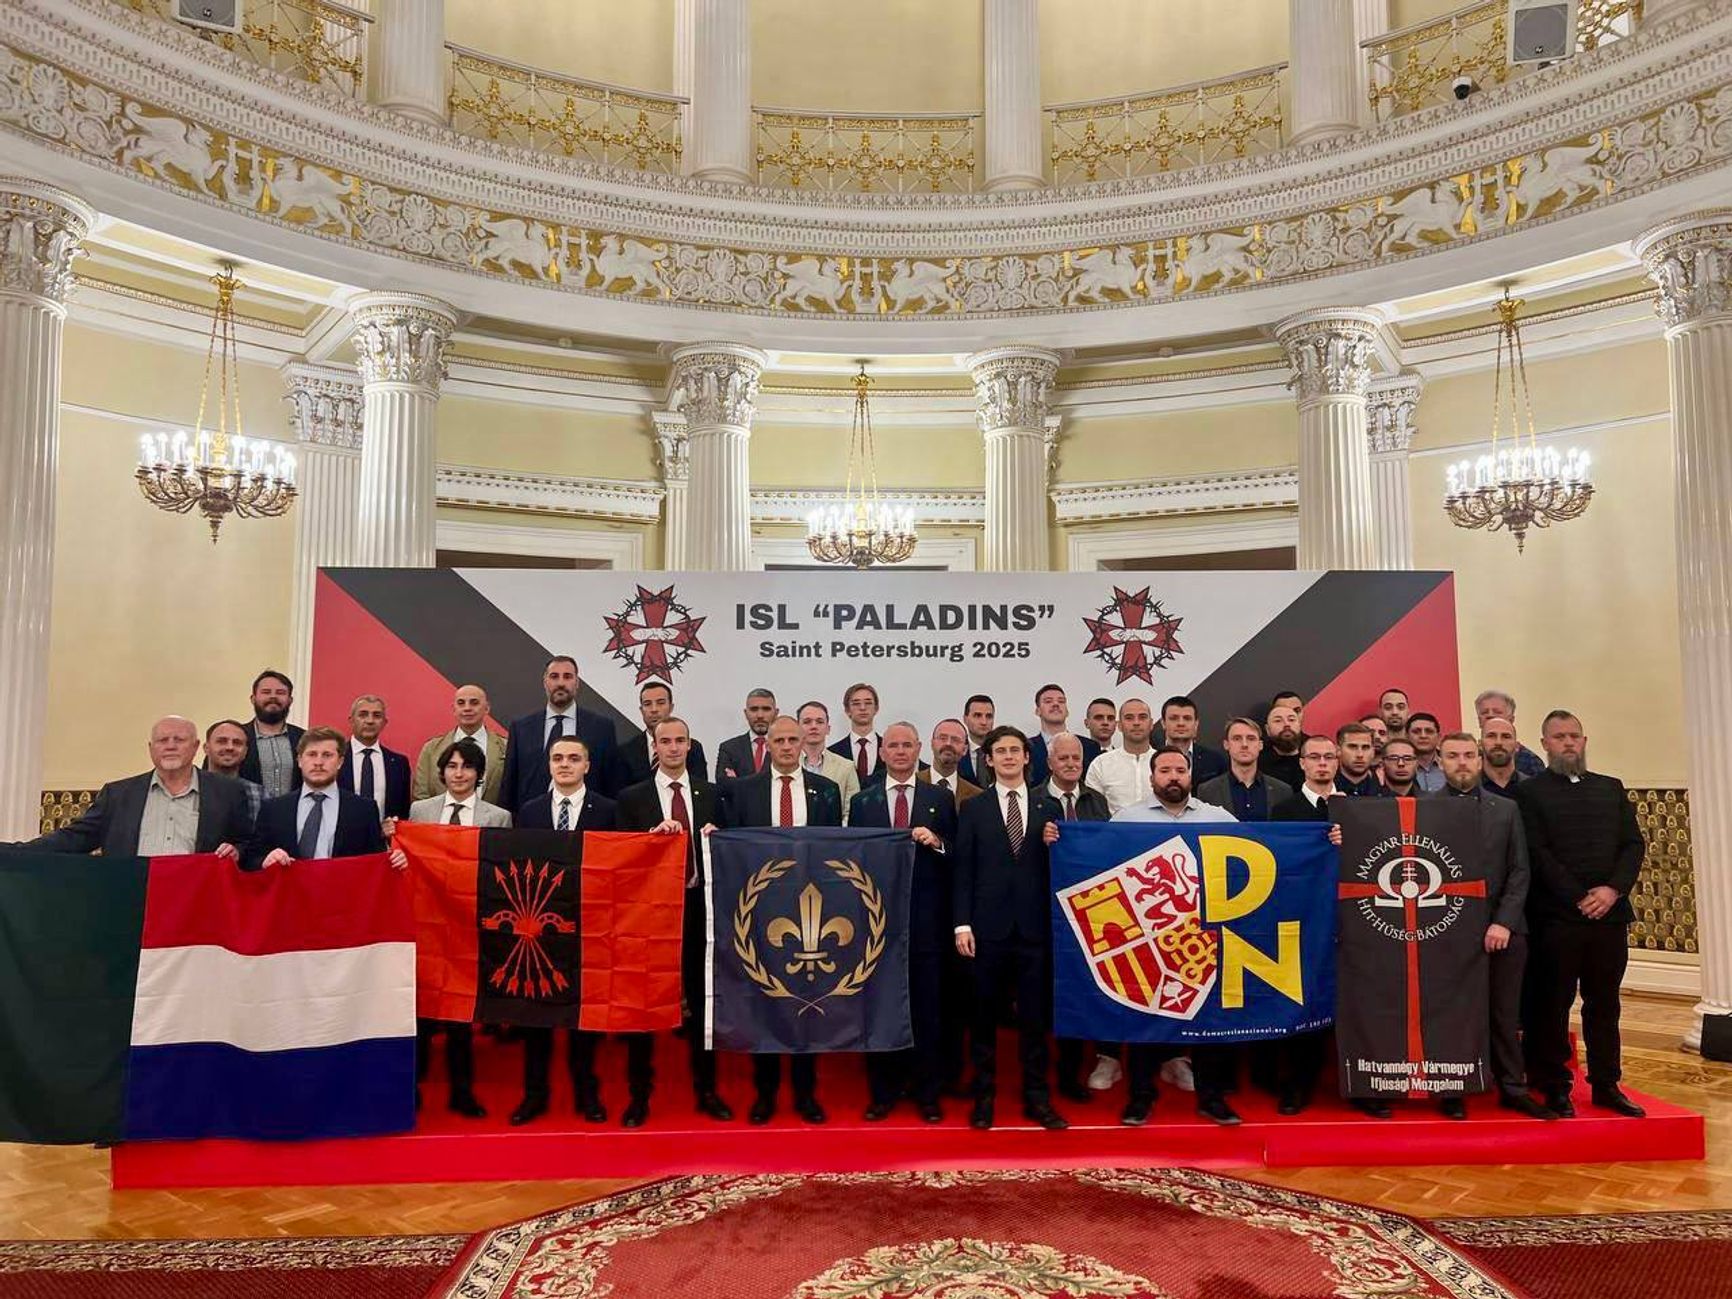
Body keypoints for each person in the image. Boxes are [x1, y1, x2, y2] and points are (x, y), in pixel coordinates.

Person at [1515, 710, 1648, 1119]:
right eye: (1559, 737)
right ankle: (1555, 1086)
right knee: (1552, 1005)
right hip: (1557, 919)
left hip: (1609, 916)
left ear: (1584, 741)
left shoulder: (1610, 788)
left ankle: (1607, 1084)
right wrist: (1578, 897)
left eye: (1574, 735)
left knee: (1604, 1005)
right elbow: (1537, 852)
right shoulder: (1530, 793)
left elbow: (1632, 845)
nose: (1568, 742)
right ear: (1545, 744)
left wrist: (1611, 890)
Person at [1108, 748, 1239, 1125]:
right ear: (1152, 778)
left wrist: (1325, 837)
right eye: (1164, 770)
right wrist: (1057, 838)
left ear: (1190, 776)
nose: (1173, 776)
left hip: (1205, 937)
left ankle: (1211, 1098)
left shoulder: (1219, 818)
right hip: (1150, 936)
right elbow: (1099, 862)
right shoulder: (1126, 819)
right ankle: (1140, 1096)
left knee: (1210, 1021)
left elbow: (1263, 851)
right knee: (1145, 1019)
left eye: (1180, 770)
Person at [722, 715, 843, 1124]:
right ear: (768, 745)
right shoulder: (743, 791)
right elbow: (733, 850)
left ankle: (806, 1093)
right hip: (761, 911)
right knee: (765, 1002)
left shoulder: (825, 790)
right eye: (780, 740)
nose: (788, 746)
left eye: (794, 739)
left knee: (807, 1004)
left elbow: (835, 853)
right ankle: (766, 1093)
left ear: (804, 742)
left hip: (813, 913)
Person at [614, 717, 732, 1126]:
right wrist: (651, 840)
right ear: (656, 747)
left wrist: (720, 837)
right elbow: (620, 857)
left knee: (702, 1002)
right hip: (651, 912)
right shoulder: (632, 797)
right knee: (644, 1005)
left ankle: (707, 1090)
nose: (674, 747)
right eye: (666, 741)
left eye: (681, 740)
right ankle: (639, 1095)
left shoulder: (712, 794)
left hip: (699, 907)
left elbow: (732, 852)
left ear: (690, 745)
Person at [1430, 732, 1552, 1121]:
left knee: (1504, 1014)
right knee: (1452, 1014)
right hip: (1445, 936)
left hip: (1503, 932)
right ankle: (1453, 1088)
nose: (1462, 762)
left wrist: (1503, 923)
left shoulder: (1506, 809)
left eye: (1469, 755)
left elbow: (1520, 870)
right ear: (1440, 761)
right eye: (1453, 756)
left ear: (1480, 759)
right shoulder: (1421, 810)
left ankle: (1513, 1087)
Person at [952, 725, 1067, 1131]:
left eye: (1014, 750)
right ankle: (984, 1097)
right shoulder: (974, 808)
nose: (1008, 757)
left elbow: (1063, 868)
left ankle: (1037, 1098)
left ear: (1026, 757)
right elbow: (963, 869)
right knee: (983, 1018)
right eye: (1000, 751)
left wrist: (1057, 844)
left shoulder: (1049, 807)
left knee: (1035, 1020)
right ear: (988, 759)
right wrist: (962, 924)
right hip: (987, 930)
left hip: (1035, 929)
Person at [851, 721, 956, 1124]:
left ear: (918, 750)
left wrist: (938, 843)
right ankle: (883, 1092)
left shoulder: (939, 798)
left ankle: (928, 1092)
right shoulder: (863, 801)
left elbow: (957, 854)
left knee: (928, 1009)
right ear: (881, 752)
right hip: (877, 924)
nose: (899, 751)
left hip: (927, 923)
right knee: (880, 1009)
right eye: (892, 745)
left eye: (907, 745)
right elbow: (852, 863)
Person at [513, 737, 617, 1127]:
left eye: (574, 758)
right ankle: (534, 1095)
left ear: (587, 765)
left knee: (582, 1019)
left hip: (589, 926)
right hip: (538, 929)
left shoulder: (608, 810)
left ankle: (587, 1094)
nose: (565, 765)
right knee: (535, 1018)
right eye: (558, 758)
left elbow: (621, 864)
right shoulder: (531, 810)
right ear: (549, 764)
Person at [404, 739, 509, 1120]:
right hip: (428, 927)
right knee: (420, 1013)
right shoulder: (420, 811)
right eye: (452, 766)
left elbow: (502, 874)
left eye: (467, 766)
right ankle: (411, 1090)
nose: (459, 773)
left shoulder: (498, 817)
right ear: (442, 772)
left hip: (470, 928)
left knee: (461, 1016)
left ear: (479, 774)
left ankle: (462, 1092)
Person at [1270, 736, 1360, 1116]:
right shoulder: (1283, 810)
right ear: (1302, 763)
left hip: (1352, 920)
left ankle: (1360, 1085)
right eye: (1314, 757)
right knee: (1303, 1001)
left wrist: (1351, 840)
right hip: (1303, 919)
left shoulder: (1358, 808)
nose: (1322, 763)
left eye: (1328, 757)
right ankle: (1298, 1084)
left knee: (1356, 1003)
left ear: (1337, 762)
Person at [19, 716, 251, 859]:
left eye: (179, 740)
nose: (170, 746)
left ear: (196, 747)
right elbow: (75, 838)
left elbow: (246, 844)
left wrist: (237, 852)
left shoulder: (228, 793)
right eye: (162, 740)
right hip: (131, 901)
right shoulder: (118, 795)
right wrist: (16, 851)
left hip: (198, 903)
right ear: (151, 748)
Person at [1045, 733, 1116, 1104]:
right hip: (1046, 912)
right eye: (1064, 758)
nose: (1071, 763)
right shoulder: (1035, 800)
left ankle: (1080, 1069)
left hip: (1090, 913)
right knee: (1055, 996)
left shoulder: (1096, 801)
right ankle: (1053, 1073)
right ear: (1049, 762)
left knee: (1085, 991)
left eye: (1076, 758)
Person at [247, 728, 391, 869]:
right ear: (299, 761)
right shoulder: (273, 809)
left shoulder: (364, 810)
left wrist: (394, 861)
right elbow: (250, 859)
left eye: (327, 755)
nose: (318, 762)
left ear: (340, 762)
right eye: (312, 754)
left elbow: (376, 864)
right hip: (288, 885)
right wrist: (265, 861)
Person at [499, 656, 622, 811]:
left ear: (577, 683)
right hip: (531, 820)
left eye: (567, 677)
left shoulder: (601, 727)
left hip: (587, 818)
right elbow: (509, 784)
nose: (561, 683)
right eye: (554, 676)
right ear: (545, 682)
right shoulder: (521, 728)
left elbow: (611, 783)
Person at [414, 683, 506, 804]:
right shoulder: (431, 749)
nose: (467, 708)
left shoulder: (506, 748)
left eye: (474, 703)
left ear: (487, 708)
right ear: (454, 709)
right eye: (461, 703)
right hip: (440, 816)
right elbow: (421, 796)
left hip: (492, 816)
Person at [1199, 717, 1292, 822]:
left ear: (1260, 745)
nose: (1244, 744)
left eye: (1251, 739)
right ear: (1226, 745)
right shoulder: (1208, 791)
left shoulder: (1282, 791)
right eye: (1237, 738)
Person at [620, 680, 709, 787]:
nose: (654, 709)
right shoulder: (626, 751)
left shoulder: (693, 748)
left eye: (660, 703)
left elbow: (701, 788)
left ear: (671, 707)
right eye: (647, 704)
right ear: (641, 710)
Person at [342, 694, 412, 821]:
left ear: (384, 723)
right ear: (351, 720)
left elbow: (403, 811)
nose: (370, 721)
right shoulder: (335, 758)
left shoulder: (399, 764)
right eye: (363, 715)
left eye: (377, 715)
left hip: (384, 833)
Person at [1084, 697, 1156, 816]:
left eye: (1142, 717)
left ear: (1151, 724)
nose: (1136, 723)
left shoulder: (1166, 762)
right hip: (1112, 828)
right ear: (1119, 725)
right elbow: (1092, 812)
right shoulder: (1100, 764)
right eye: (1129, 718)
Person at [239, 669, 303, 798]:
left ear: (290, 700)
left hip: (292, 810)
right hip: (246, 809)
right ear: (253, 699)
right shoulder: (235, 738)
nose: (273, 697)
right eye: (266, 692)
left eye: (280, 693)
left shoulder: (304, 738)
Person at [797, 700, 862, 820]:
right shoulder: (788, 765)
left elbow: (851, 811)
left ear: (828, 729)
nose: (813, 726)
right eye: (807, 722)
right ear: (797, 728)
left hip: (833, 830)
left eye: (819, 722)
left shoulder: (846, 767)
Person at [1027, 684, 1103, 787]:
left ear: (1067, 711)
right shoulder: (1026, 747)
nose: (1055, 704)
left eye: (1061, 701)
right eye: (1048, 701)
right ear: (1037, 711)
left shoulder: (1090, 747)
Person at [203, 718, 263, 829]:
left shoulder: (261, 795)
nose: (229, 747)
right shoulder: (190, 790)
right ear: (206, 748)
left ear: (245, 752)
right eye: (222, 741)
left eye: (237, 743)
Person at [1474, 689, 1547, 778]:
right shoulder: (1469, 758)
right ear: (1479, 720)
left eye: (1497, 712)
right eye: (1484, 712)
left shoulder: (1530, 762)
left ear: (1511, 719)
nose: (1490, 715)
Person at [1158, 696, 1228, 784]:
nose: (1181, 723)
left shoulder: (1216, 761)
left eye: (1187, 718)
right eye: (1174, 718)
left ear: (1196, 724)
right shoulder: (1151, 758)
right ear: (1163, 723)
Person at [715, 687, 777, 782]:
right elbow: (724, 785)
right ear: (746, 713)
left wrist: (739, 781)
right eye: (754, 709)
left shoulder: (786, 747)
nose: (760, 715)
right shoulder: (729, 748)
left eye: (766, 709)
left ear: (776, 713)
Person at [830, 682, 885, 786]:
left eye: (868, 703)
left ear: (876, 708)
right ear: (847, 710)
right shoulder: (833, 753)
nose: (862, 708)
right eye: (856, 703)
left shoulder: (890, 749)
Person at [921, 717, 983, 809]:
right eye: (943, 738)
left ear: (965, 749)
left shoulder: (977, 796)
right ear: (932, 743)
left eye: (955, 740)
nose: (948, 743)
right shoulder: (911, 784)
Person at [1259, 699, 1305, 790]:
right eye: (1278, 721)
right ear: (1267, 729)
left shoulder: (1313, 760)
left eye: (1291, 720)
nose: (1286, 724)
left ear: (1300, 726)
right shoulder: (1258, 765)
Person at [1333, 722, 1387, 798]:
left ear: (1373, 751)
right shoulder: (1323, 795)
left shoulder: (1389, 798)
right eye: (1352, 747)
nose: (1360, 755)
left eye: (1365, 747)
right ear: (1338, 750)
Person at [1480, 717, 1525, 800]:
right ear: (1480, 744)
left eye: (1506, 737)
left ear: (1517, 746)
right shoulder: (1470, 787)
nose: (1498, 742)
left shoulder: (1532, 789)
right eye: (1491, 736)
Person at [957, 695, 997, 786]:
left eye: (989, 716)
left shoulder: (1002, 751)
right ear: (965, 719)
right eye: (977, 715)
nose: (984, 722)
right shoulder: (957, 752)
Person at [1408, 712, 1446, 793]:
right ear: (1406, 736)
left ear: (1439, 737)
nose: (1423, 736)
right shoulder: (1398, 767)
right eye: (1416, 731)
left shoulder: (1449, 767)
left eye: (1429, 731)